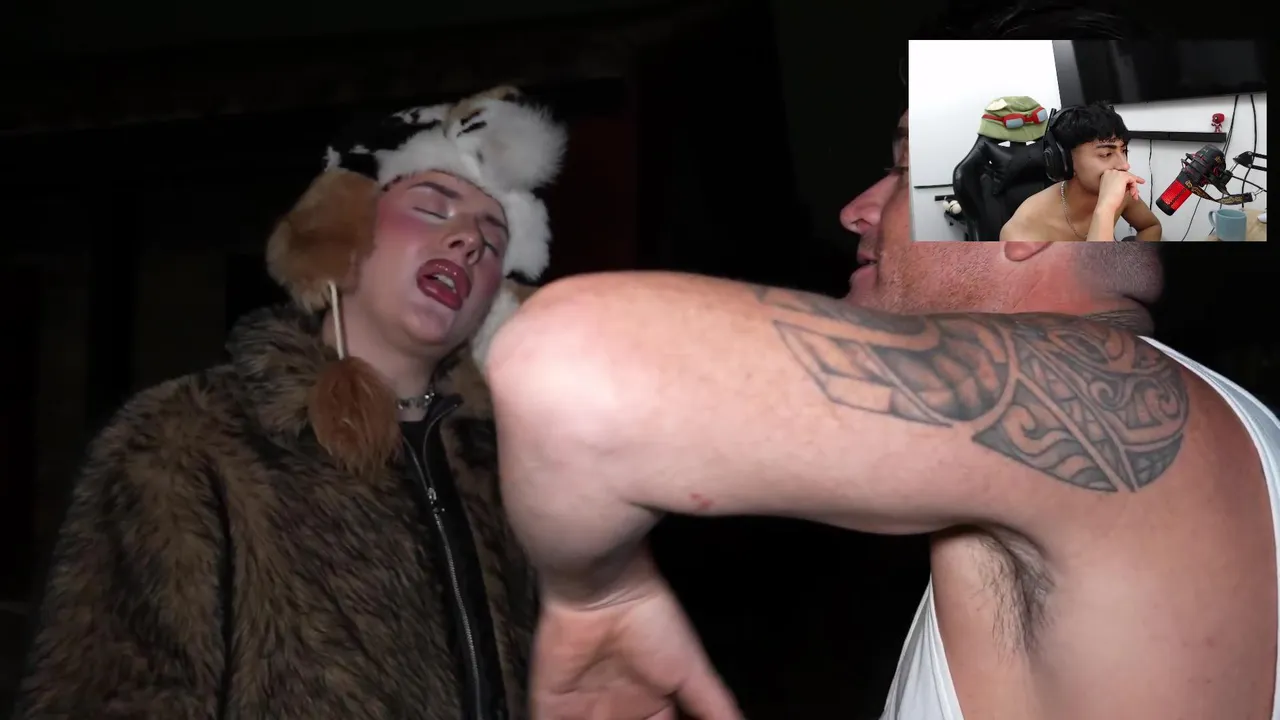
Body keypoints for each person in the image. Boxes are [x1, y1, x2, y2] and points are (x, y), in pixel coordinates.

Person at [480, 113, 1280, 720]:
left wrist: (596, 594)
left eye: (903, 170)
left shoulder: (1116, 404)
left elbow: (570, 365)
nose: (856, 210)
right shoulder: (1192, 434)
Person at [12, 86, 566, 720]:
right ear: (344, 232)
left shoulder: (513, 477)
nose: (469, 239)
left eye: (494, 241)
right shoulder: (186, 439)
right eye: (432, 208)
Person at [1002, 102, 1163, 242]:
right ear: (1065, 161)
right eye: (1106, 154)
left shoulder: (1120, 191)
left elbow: (1151, 227)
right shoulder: (1024, 228)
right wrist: (1106, 208)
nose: (1125, 165)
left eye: (1124, 150)